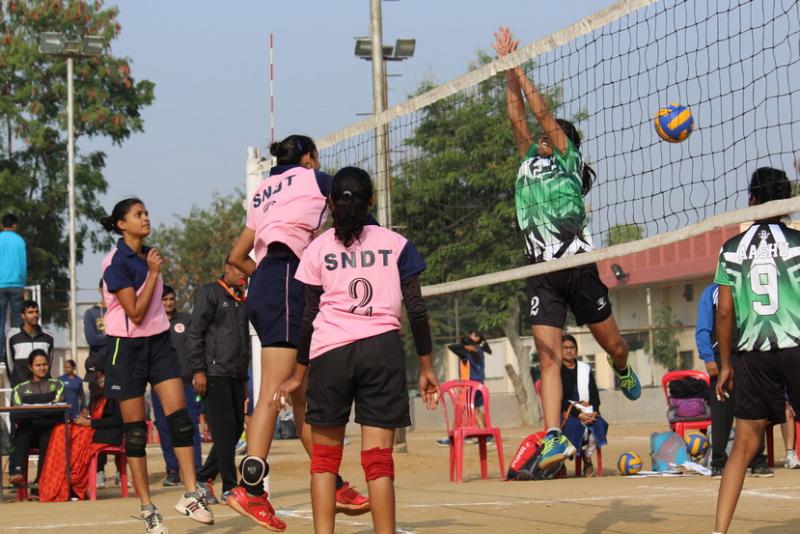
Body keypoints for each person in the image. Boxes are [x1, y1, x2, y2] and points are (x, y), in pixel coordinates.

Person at [492, 27, 640, 470]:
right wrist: (506, 70)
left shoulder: (569, 162)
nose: (541, 139)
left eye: (551, 137)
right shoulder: (527, 162)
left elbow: (541, 115)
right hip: (541, 272)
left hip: (578, 267)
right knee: (549, 358)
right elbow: (517, 117)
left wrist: (520, 67)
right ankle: (553, 434)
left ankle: (622, 366)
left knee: (615, 345)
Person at [275, 165, 440, 534]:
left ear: (331, 203)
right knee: (378, 461)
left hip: (330, 354)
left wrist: (298, 374)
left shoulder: (317, 248)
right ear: (372, 200)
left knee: (324, 461)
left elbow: (307, 317)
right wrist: (427, 367)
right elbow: (416, 309)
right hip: (382, 351)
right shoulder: (396, 243)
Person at [227, 135, 369, 529]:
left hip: (268, 282)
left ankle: (333, 483)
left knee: (302, 394)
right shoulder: (315, 179)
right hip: (287, 278)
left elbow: (236, 257)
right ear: (308, 157)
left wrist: (265, 278)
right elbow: (353, 196)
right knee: (275, 389)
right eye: (316, 158)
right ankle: (251, 489)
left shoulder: (262, 191)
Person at [99, 198, 213, 533]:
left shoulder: (149, 255)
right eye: (138, 214)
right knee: (136, 433)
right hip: (126, 347)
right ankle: (148, 509)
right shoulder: (116, 262)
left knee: (181, 421)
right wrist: (152, 274)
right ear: (122, 224)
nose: (146, 218)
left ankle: (191, 494)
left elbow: (151, 312)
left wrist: (152, 270)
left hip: (159, 343)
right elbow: (135, 313)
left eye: (147, 213)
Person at [713, 167, 800, 534]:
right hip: (796, 346)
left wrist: (725, 364)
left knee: (743, 447)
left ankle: (719, 531)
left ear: (751, 200)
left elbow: (724, 311)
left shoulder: (731, 249)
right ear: (787, 202)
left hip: (753, 355)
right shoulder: (798, 242)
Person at [695, 283, 773, 479]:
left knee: (754, 408)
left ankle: (758, 461)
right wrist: (708, 358)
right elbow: (703, 328)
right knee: (721, 411)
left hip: (749, 354)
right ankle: (718, 463)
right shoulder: (712, 291)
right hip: (720, 357)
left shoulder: (749, 286)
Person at [188, 258, 250, 504]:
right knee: (224, 430)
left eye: (246, 271)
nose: (243, 274)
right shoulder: (210, 292)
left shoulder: (242, 299)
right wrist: (198, 370)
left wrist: (243, 375)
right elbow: (195, 332)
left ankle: (204, 478)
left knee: (235, 429)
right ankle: (230, 486)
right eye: (238, 269)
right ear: (227, 268)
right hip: (214, 373)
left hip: (236, 373)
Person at [152, 285, 203, 488]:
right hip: (160, 385)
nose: (168, 302)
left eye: (171, 299)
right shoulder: (152, 323)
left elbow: (196, 346)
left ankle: (196, 470)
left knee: (190, 427)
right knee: (165, 428)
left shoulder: (186, 320)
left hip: (185, 384)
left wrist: (198, 371)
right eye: (164, 299)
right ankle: (172, 470)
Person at [8, 350, 64, 489]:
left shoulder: (58, 385)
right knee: (23, 430)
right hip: (28, 431)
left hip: (49, 432)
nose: (42, 368)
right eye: (38, 365)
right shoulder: (20, 389)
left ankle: (40, 482)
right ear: (30, 367)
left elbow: (59, 411)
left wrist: (31, 410)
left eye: (44, 364)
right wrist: (46, 408)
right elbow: (16, 415)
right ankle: (17, 472)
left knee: (47, 433)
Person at [559, 335, 608, 477]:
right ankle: (560, 463)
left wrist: (595, 411)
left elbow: (594, 394)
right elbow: (558, 399)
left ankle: (587, 456)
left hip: (587, 409)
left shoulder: (584, 368)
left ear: (576, 350)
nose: (569, 351)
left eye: (572, 348)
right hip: (566, 411)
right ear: (560, 350)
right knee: (574, 425)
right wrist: (578, 414)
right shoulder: (556, 370)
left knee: (599, 423)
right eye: (565, 348)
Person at [4, 300, 54, 386]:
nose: (35, 315)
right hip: (20, 388)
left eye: (36, 312)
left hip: (42, 388)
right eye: (30, 312)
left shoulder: (48, 336)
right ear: (23, 315)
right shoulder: (12, 336)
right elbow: (9, 364)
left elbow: (48, 364)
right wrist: (15, 384)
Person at [0, 213, 26, 363]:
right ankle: (17, 351)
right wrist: (22, 281)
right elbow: (23, 264)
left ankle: (0, 354)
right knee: (17, 322)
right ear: (14, 225)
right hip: (16, 284)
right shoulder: (19, 240)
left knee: (0, 321)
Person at [84, 278, 108, 361]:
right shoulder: (91, 313)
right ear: (100, 290)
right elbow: (92, 339)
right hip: (99, 360)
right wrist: (114, 337)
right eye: (108, 288)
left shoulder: (122, 311)